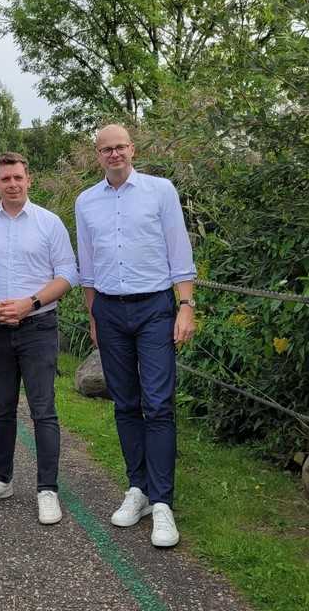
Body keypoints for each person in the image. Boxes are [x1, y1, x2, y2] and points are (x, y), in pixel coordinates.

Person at [74, 124, 196, 548]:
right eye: (106, 149)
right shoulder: (85, 202)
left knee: (158, 403)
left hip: (155, 307)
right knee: (124, 402)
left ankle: (162, 502)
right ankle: (138, 490)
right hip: (108, 309)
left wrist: (185, 306)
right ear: (98, 155)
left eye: (120, 147)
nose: (114, 154)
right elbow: (86, 266)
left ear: (132, 149)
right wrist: (92, 316)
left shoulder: (160, 191)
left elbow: (179, 250)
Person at [0, 152, 78, 525]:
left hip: (39, 327)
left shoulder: (49, 223)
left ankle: (47, 489)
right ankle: (1, 479)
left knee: (43, 409)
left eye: (18, 177)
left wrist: (30, 304)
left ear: (29, 180)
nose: (12, 184)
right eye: (5, 179)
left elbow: (66, 275)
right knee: (2, 407)